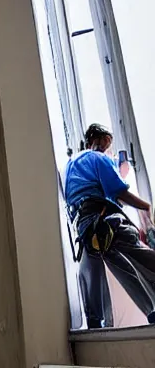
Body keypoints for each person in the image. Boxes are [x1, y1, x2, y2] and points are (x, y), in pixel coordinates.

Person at [65, 123, 155, 328]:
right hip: (102, 218)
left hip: (85, 227)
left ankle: (99, 321)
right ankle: (150, 310)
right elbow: (118, 192)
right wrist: (145, 206)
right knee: (139, 253)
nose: (107, 148)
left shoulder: (72, 164)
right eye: (107, 143)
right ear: (99, 140)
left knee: (115, 264)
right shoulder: (97, 157)